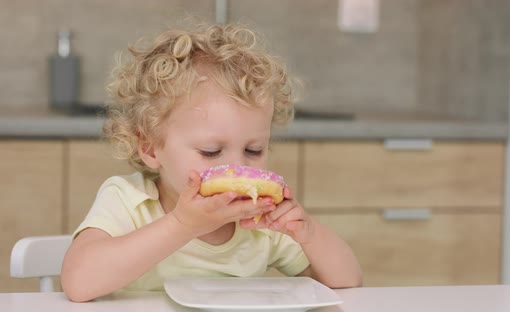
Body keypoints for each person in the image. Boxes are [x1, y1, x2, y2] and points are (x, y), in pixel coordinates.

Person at [61, 21, 362, 302]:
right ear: (151, 149)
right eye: (210, 152)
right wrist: (182, 225)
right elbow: (78, 283)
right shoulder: (128, 201)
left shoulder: (260, 223)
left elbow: (348, 284)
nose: (238, 166)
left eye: (254, 150)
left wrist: (309, 233)